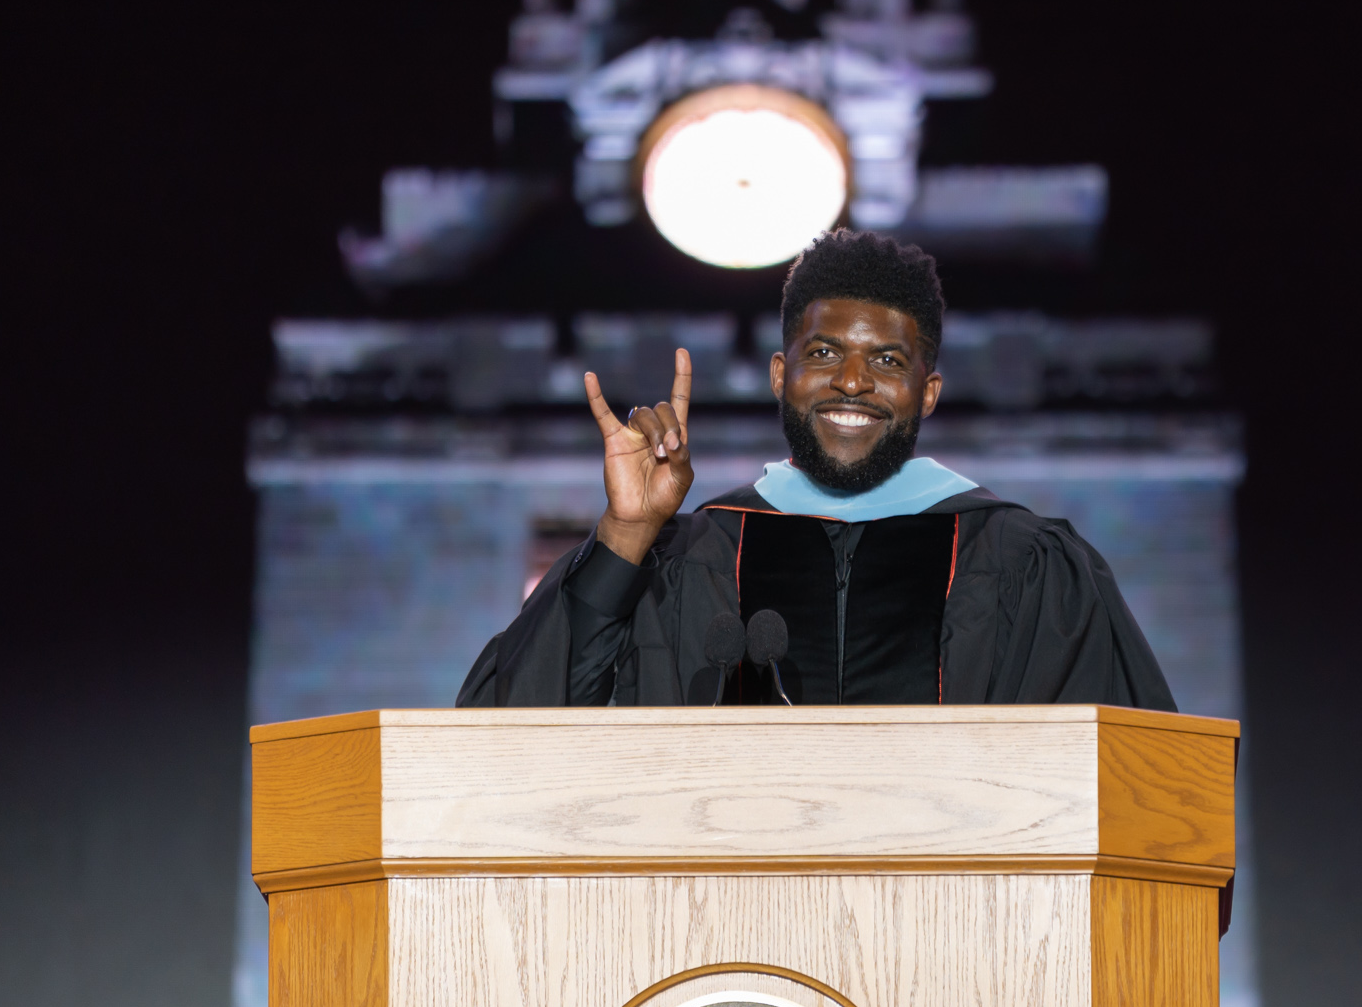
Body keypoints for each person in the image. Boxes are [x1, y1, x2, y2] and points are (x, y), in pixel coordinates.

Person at [456, 229, 1175, 710]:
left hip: (951, 937)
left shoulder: (1026, 565)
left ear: (927, 391)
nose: (852, 381)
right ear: (780, 374)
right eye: (824, 353)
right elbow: (509, 733)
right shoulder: (686, 558)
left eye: (887, 361)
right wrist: (623, 535)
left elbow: (1127, 798)